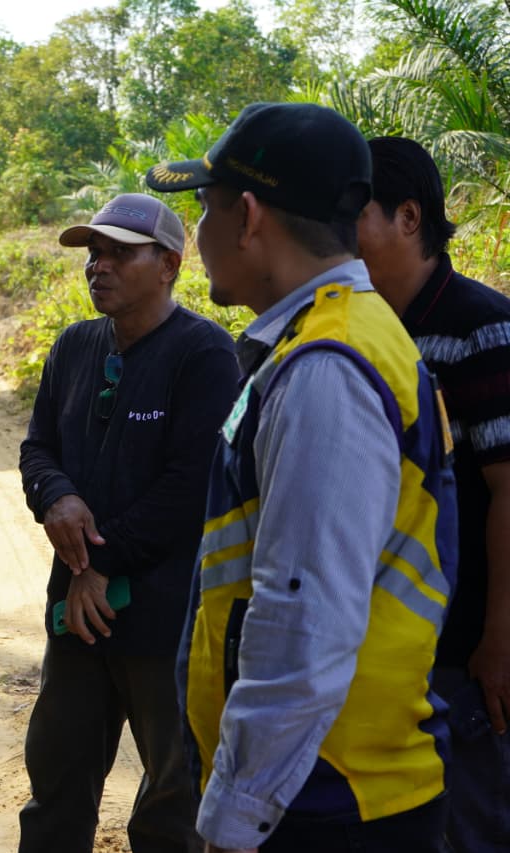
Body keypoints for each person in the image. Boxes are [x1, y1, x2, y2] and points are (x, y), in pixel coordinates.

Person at [146, 102, 457, 851]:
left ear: (249, 217)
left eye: (206, 209)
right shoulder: (336, 338)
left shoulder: (327, 367)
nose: (198, 234)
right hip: (326, 783)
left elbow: (303, 623)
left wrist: (236, 819)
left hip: (325, 798)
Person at [17, 194, 239, 852]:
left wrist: (100, 563)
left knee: (173, 800)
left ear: (169, 264)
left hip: (166, 621)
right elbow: (38, 446)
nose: (99, 266)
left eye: (120, 253)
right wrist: (55, 496)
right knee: (56, 784)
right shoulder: (75, 346)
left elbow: (191, 487)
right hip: (78, 617)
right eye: (94, 253)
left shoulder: (205, 354)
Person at [356, 135, 510, 852]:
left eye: (353, 217)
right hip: (386, 647)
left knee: (471, 824)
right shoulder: (361, 329)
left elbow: (508, 490)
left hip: (464, 649)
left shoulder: (481, 326)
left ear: (409, 218)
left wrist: (499, 639)